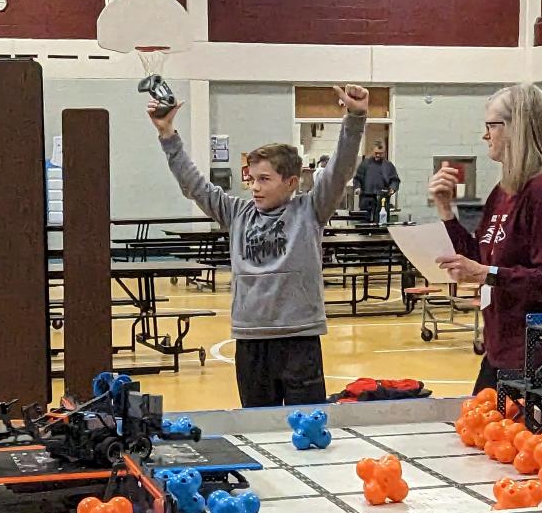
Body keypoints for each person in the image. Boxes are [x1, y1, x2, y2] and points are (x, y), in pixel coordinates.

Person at [429, 83, 542, 513]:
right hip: (499, 346)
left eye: (492, 124)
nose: (484, 135)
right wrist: (448, 216)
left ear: (518, 127)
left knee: (525, 461)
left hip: (532, 354)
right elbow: (481, 260)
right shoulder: (502, 192)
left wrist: (486, 271)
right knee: (487, 455)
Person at [150, 85, 368, 407]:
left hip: (298, 340)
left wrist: (355, 116)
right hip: (251, 341)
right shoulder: (236, 212)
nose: (254, 187)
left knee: (305, 425)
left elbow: (340, 171)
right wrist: (168, 134)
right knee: (256, 426)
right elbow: (193, 185)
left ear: (291, 183)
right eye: (251, 179)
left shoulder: (310, 210)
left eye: (264, 179)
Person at [354, 141, 399, 222]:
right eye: (376, 153)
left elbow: (395, 180)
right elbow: (357, 178)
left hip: (382, 200)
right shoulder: (365, 164)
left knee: (381, 225)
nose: (378, 155)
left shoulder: (388, 166)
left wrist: (392, 189)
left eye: (381, 153)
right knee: (364, 226)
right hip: (366, 199)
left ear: (384, 153)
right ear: (372, 151)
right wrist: (357, 187)